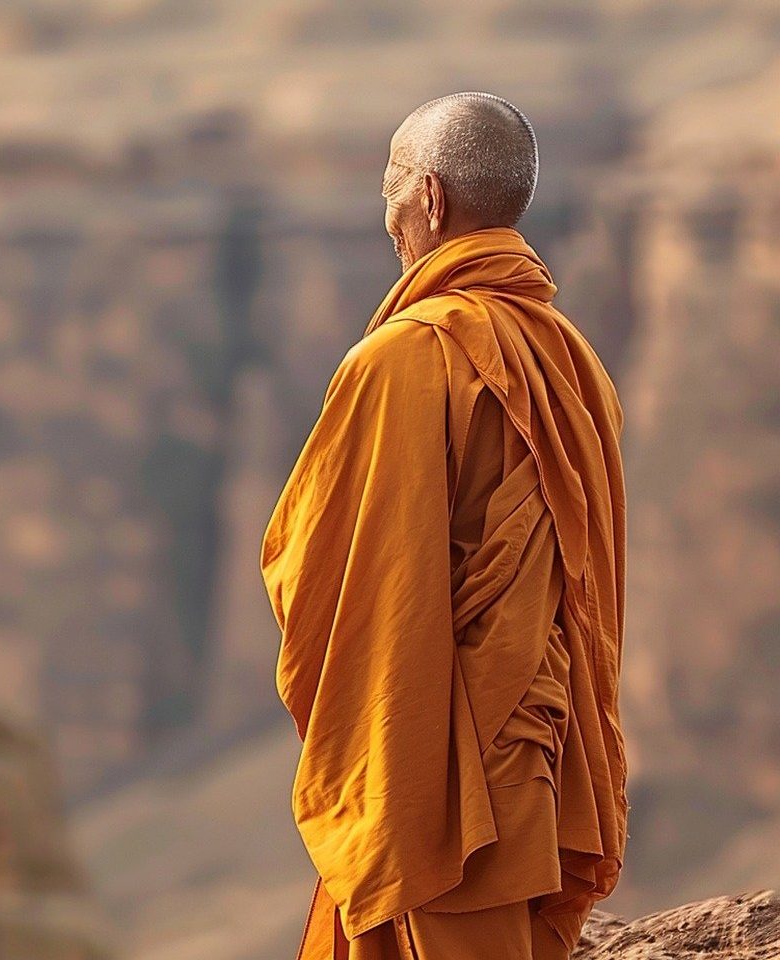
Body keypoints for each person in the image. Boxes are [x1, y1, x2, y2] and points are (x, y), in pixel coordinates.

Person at [260, 91, 629, 960]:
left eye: (389, 183)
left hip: (444, 774)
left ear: (428, 196)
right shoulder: (574, 360)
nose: (384, 212)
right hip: (541, 758)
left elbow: (322, 570)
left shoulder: (402, 359)